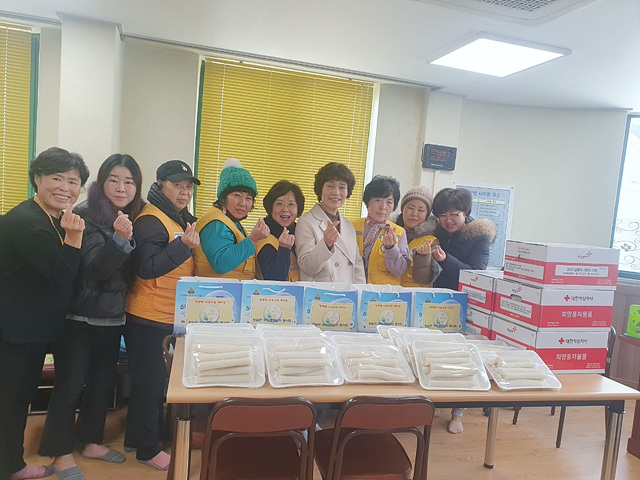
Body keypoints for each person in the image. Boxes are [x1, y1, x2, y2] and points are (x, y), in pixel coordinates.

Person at [37, 154, 144, 479]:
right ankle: (59, 453)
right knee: (70, 386)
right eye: (114, 180)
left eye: (129, 182)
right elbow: (97, 268)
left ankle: (91, 442)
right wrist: (121, 239)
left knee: (101, 383)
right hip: (80, 317)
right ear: (101, 181)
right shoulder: (86, 214)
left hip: (112, 316)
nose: (121, 187)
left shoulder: (132, 216)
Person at [0, 147, 89, 480]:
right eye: (56, 178)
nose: (65, 187)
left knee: (16, 401)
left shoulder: (50, 217)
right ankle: (10, 466)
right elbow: (60, 275)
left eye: (73, 181)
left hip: (29, 328)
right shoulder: (27, 221)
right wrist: (75, 237)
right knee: (10, 403)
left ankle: (11, 464)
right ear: (37, 178)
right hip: (14, 329)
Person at [124, 160, 201, 471]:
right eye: (177, 185)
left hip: (165, 314)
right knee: (151, 385)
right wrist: (183, 246)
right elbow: (145, 268)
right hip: (147, 316)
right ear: (159, 185)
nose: (184, 192)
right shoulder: (151, 220)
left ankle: (135, 439)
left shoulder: (175, 218)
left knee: (148, 383)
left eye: (188, 187)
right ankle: (147, 450)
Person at [431, 187, 496, 434]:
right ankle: (435, 401)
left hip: (466, 303)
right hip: (437, 301)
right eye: (443, 215)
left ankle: (458, 412)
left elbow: (476, 272)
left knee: (462, 356)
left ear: (465, 213)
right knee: (436, 353)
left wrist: (445, 260)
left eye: (454, 214)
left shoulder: (478, 236)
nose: (448, 220)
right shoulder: (435, 233)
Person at [194, 158, 269, 279]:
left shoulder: (231, 222)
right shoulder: (216, 223)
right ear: (223, 198)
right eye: (237, 195)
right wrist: (253, 239)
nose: (243, 203)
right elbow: (221, 263)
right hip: (217, 290)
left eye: (248, 198)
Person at [295, 162, 365, 283]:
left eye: (342, 187)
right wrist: (326, 244)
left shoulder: (349, 225)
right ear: (320, 189)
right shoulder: (306, 221)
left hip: (348, 292)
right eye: (330, 186)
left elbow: (357, 268)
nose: (336, 192)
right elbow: (307, 266)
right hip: (320, 292)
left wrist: (360, 291)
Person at [352, 175, 411, 284]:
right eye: (378, 200)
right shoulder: (351, 226)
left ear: (393, 207)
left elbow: (400, 270)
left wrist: (391, 249)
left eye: (389, 202)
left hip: (384, 293)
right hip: (354, 288)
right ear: (368, 202)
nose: (383, 207)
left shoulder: (399, 232)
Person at [255, 180, 305, 281]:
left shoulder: (301, 233)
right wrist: (284, 249)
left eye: (291, 204)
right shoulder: (263, 237)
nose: (285, 209)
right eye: (279, 204)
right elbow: (274, 279)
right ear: (271, 208)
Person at [391, 185, 440, 287]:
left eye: (421, 210)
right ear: (403, 209)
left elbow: (424, 280)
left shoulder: (431, 242)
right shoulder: (388, 232)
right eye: (410, 208)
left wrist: (423, 258)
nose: (414, 213)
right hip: (388, 293)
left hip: (415, 295)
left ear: (427, 215)